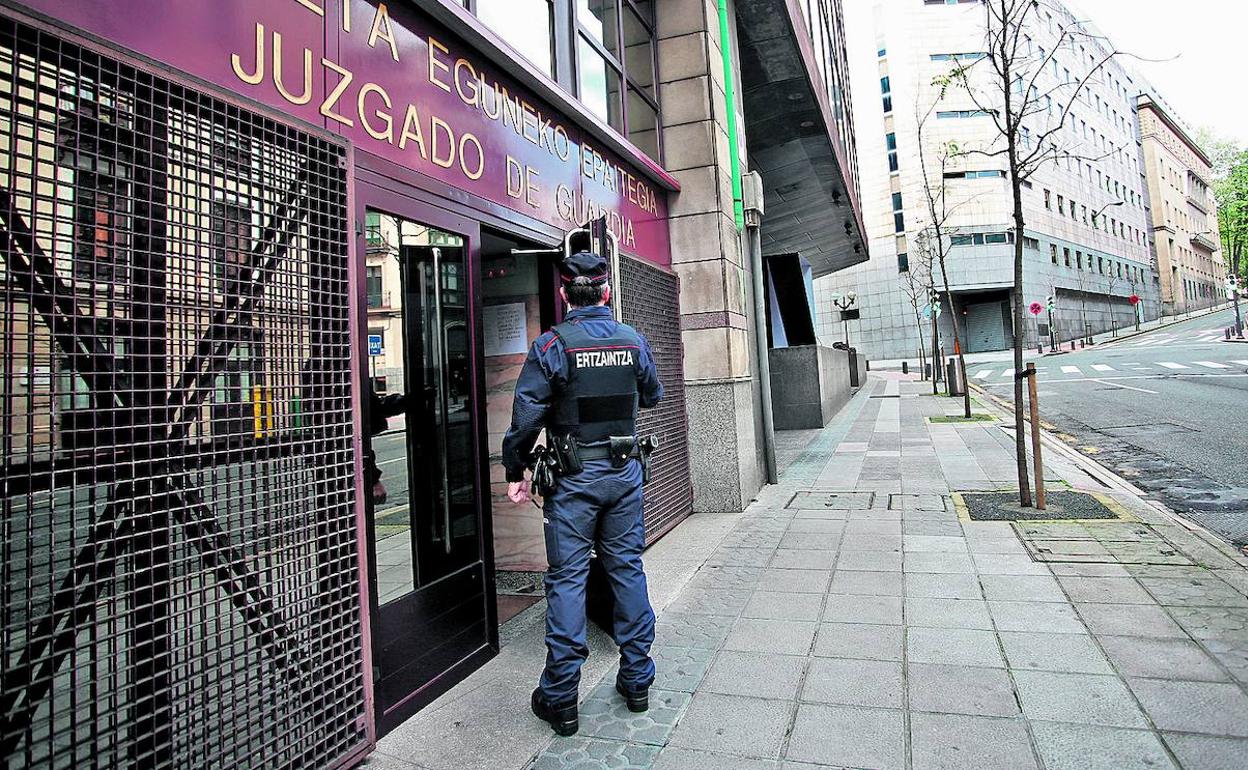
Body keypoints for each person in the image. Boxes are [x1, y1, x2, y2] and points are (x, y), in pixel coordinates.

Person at [501, 251, 663, 736]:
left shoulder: (552, 344)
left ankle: (561, 698)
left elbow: (526, 416)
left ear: (564, 294)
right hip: (624, 471)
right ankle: (637, 680)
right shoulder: (632, 339)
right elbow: (651, 394)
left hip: (573, 480)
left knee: (568, 580)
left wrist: (517, 468)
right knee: (626, 568)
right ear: (607, 293)